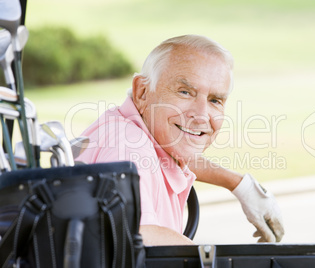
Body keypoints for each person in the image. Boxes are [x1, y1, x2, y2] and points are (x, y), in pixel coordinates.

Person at [76, 34, 284, 245]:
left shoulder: (132, 131)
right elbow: (138, 236)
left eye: (215, 100)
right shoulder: (127, 147)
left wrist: (241, 186)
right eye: (185, 92)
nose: (202, 114)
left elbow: (163, 154)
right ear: (142, 92)